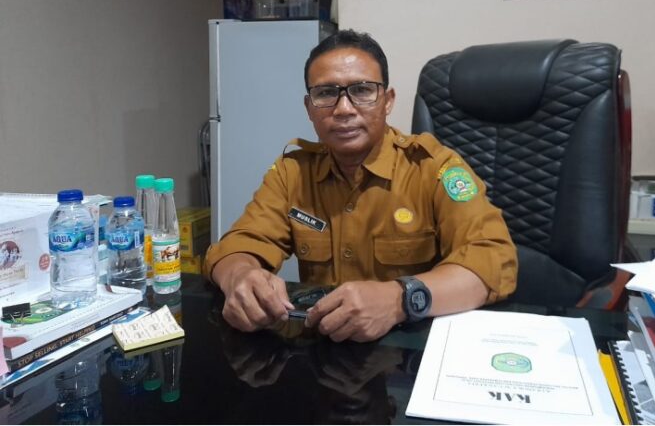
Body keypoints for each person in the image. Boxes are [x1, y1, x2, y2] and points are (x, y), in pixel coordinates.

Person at [203, 29, 518, 342]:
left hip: (409, 350)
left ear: (387, 101)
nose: (343, 109)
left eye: (363, 90)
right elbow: (237, 246)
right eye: (326, 93)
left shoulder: (433, 168)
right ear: (309, 107)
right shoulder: (293, 173)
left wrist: (399, 299)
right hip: (324, 350)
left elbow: (494, 260)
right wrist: (240, 276)